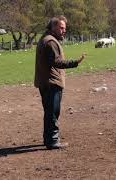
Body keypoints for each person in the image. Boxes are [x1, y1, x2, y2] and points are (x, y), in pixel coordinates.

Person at [34, 16, 85, 149]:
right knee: (53, 112)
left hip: (45, 82)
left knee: (49, 111)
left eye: (64, 28)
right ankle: (52, 140)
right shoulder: (50, 42)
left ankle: (48, 139)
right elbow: (57, 62)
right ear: (53, 27)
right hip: (51, 82)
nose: (64, 31)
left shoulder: (46, 39)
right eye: (61, 28)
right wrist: (75, 62)